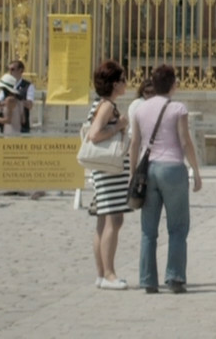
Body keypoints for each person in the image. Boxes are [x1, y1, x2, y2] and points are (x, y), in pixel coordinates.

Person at [127, 64, 203, 294]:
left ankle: (148, 279)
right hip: (172, 168)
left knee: (148, 230)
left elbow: (135, 143)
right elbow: (185, 141)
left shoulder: (140, 108)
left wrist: (132, 173)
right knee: (178, 227)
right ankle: (175, 277)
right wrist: (196, 170)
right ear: (173, 84)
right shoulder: (178, 108)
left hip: (148, 169)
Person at [86, 61, 133, 289]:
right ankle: (109, 274)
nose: (126, 83)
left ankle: (101, 274)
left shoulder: (100, 104)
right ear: (115, 84)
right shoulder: (106, 106)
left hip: (105, 170)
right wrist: (119, 126)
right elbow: (95, 135)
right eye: (123, 79)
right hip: (109, 172)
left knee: (103, 221)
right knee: (114, 220)